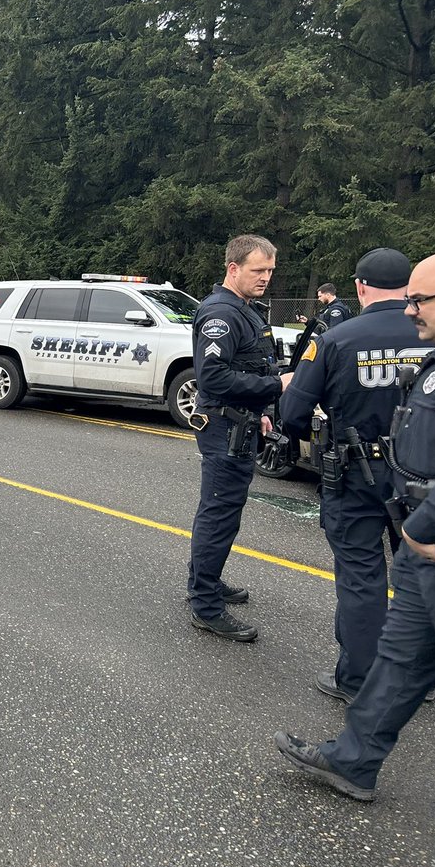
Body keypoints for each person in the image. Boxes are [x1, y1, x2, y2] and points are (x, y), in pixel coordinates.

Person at [276, 251, 435, 802]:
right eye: (413, 297)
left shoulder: (341, 336)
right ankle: (363, 748)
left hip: (364, 481)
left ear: (359, 285)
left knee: (362, 578)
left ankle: (354, 676)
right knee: (408, 612)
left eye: (424, 300)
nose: (415, 310)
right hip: (414, 493)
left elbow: (296, 409)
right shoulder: (429, 343)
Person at [186, 235, 283, 642]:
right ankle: (205, 604)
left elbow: (245, 368)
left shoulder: (242, 309)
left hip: (239, 422)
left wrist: (256, 412)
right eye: (257, 270)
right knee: (220, 512)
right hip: (223, 428)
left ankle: (207, 579)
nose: (265, 278)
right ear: (233, 268)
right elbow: (213, 376)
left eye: (270, 271)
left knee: (224, 510)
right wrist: (278, 385)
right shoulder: (220, 315)